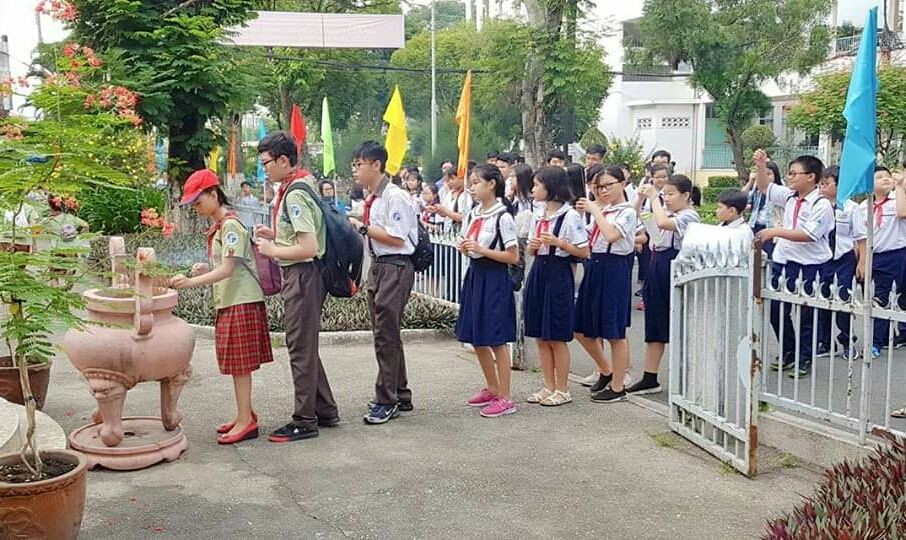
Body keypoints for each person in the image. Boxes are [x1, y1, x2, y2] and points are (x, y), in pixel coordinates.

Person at [169, 169, 273, 444]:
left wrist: (193, 282)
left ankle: (246, 421)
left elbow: (228, 269)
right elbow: (227, 264)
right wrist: (206, 268)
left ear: (214, 194)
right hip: (232, 299)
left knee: (240, 365)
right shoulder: (222, 226)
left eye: (198, 200)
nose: (196, 207)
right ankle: (244, 414)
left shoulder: (230, 226)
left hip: (241, 300)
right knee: (236, 363)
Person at [254, 131, 339, 443]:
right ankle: (325, 409)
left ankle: (305, 420)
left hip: (303, 275)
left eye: (267, 163)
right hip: (306, 275)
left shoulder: (295, 194)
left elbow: (308, 246)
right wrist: (276, 236)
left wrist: (273, 250)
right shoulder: (299, 185)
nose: (264, 169)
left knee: (300, 347)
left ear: (284, 160)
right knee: (305, 344)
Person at [347, 141, 419, 425]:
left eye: (359, 164)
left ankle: (386, 399)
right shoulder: (373, 197)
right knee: (385, 331)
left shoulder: (394, 196)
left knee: (385, 335)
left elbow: (398, 237)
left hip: (395, 267)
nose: (355, 170)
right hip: (379, 266)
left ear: (376, 165)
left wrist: (363, 228)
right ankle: (401, 392)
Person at [753, 150, 833, 378]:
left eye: (795, 174)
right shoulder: (789, 196)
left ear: (811, 177)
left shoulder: (821, 204)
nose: (790, 178)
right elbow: (764, 188)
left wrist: (775, 232)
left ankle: (804, 357)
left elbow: (809, 234)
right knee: (777, 311)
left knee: (808, 314)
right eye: (789, 173)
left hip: (811, 265)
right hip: (784, 261)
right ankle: (789, 351)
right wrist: (761, 165)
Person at [456, 165, 519, 418]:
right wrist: (467, 248)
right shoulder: (474, 213)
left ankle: (505, 396)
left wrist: (483, 251)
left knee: (495, 338)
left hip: (494, 277)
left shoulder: (502, 216)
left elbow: (513, 256)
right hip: (475, 275)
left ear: (492, 184)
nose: (472, 188)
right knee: (476, 335)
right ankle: (492, 387)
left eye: (476, 182)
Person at [523, 166, 590, 406]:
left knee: (556, 335)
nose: (533, 189)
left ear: (550, 187)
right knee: (541, 335)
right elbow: (531, 249)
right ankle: (548, 385)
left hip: (558, 272)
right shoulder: (538, 213)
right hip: (539, 269)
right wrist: (532, 246)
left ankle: (563, 388)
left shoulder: (569, 216)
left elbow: (584, 251)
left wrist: (560, 243)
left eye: (537, 185)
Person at [629, 174, 700, 395]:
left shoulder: (690, 216)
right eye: (664, 194)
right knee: (655, 322)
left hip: (676, 267)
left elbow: (662, 223)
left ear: (686, 195)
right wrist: (641, 197)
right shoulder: (663, 209)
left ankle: (686, 381)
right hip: (656, 264)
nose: (666, 198)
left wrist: (654, 199)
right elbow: (635, 216)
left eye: (671, 194)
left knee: (680, 326)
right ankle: (650, 377)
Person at [574, 166, 636, 403]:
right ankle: (606, 370)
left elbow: (611, 235)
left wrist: (594, 210)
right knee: (581, 327)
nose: (604, 191)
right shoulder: (604, 210)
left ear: (622, 183)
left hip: (615, 268)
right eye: (599, 187)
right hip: (596, 265)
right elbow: (586, 236)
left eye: (609, 185)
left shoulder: (627, 212)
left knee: (614, 331)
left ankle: (618, 386)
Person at [855, 165, 906, 359]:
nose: (885, 179)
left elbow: (902, 213)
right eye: (879, 177)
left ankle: (875, 342)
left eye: (887, 176)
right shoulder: (863, 206)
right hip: (871, 255)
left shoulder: (897, 200)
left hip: (894, 255)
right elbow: (859, 235)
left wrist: (900, 186)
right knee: (874, 297)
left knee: (882, 298)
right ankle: (882, 337)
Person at [815, 166, 862, 361]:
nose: (822, 188)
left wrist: (862, 264)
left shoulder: (851, 207)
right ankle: (824, 343)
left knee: (843, 300)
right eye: (821, 184)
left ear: (839, 184)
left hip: (844, 259)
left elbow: (861, 237)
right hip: (823, 258)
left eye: (826, 184)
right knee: (822, 300)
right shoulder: (817, 206)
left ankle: (847, 341)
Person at [633, 163, 671, 310]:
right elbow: (635, 213)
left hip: (666, 234)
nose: (661, 180)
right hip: (649, 233)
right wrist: (641, 198)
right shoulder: (648, 195)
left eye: (664, 177)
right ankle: (646, 296)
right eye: (657, 177)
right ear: (651, 178)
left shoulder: (670, 195)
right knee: (647, 267)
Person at [742, 160, 784, 258]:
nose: (765, 177)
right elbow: (742, 198)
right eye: (763, 174)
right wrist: (751, 181)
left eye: (769, 174)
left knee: (769, 256)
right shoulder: (757, 190)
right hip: (755, 225)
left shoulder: (780, 191)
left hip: (772, 227)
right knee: (755, 256)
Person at [431, 167, 471, 235]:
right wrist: (437, 210)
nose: (450, 182)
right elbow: (444, 214)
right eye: (448, 180)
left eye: (452, 179)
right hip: (448, 231)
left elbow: (462, 217)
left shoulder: (466, 195)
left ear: (461, 179)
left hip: (460, 232)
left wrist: (444, 210)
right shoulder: (449, 194)